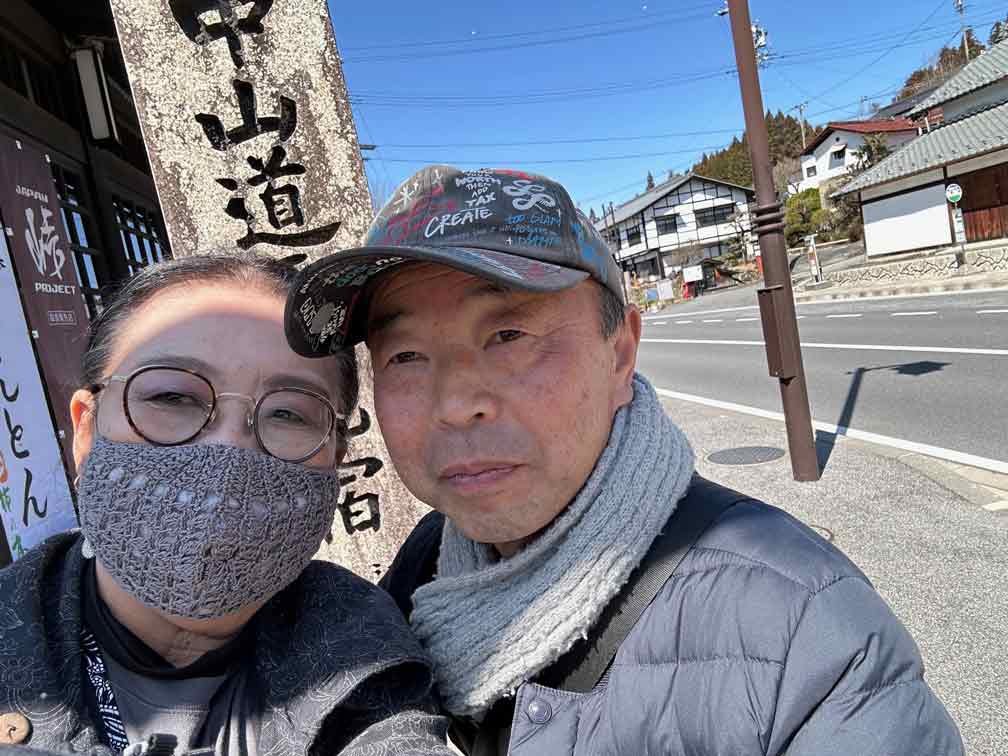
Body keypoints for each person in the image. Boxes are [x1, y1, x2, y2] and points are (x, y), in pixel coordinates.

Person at [284, 165, 964, 756]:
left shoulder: (806, 632)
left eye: (509, 334)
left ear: (620, 354)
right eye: (404, 355)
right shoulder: (428, 563)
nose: (457, 404)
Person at [0, 252, 450, 756]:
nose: (229, 451)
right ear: (86, 430)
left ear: (336, 459)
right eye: (172, 397)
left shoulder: (371, 662)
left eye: (288, 413)